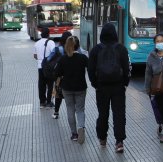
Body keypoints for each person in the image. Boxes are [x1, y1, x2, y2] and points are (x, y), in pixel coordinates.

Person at [87, 23, 130, 153]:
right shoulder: (121, 48)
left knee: (103, 114)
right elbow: (127, 68)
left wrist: (95, 84)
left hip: (102, 87)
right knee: (119, 114)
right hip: (118, 87)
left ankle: (102, 138)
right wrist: (125, 83)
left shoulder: (95, 50)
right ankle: (119, 142)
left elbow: (90, 70)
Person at [56, 36, 89, 144]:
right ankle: (81, 127)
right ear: (78, 45)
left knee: (70, 109)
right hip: (80, 87)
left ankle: (74, 134)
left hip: (67, 88)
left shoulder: (63, 59)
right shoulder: (83, 58)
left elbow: (56, 73)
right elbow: (91, 68)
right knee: (80, 109)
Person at [49, 31, 73, 119]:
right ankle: (71, 113)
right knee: (70, 95)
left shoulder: (57, 49)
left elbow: (48, 59)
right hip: (71, 76)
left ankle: (56, 112)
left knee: (58, 95)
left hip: (59, 77)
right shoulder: (75, 49)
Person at [33, 28, 56, 109]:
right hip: (49, 67)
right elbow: (54, 53)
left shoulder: (36, 43)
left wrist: (41, 59)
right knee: (50, 84)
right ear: (48, 34)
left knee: (41, 85)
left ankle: (42, 102)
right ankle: (49, 102)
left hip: (40, 66)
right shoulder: (51, 42)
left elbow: (35, 56)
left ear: (41, 34)